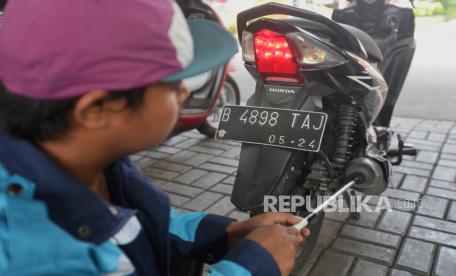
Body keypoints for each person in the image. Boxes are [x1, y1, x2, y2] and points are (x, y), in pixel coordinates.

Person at [0, 0, 310, 275]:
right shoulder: (30, 254)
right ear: (96, 108)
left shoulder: (96, 163)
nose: (185, 92)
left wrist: (225, 233)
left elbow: (134, 226)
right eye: (174, 83)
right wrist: (252, 268)